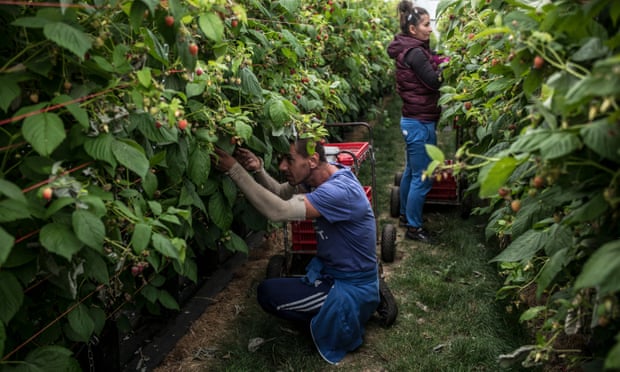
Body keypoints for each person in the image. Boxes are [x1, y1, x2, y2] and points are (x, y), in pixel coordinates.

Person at [212, 140, 396, 365]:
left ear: (312, 160)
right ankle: (368, 293)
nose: (281, 167)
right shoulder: (320, 176)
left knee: (268, 293)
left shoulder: (336, 192)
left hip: (348, 283)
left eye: (289, 160)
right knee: (277, 290)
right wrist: (258, 169)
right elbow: (281, 194)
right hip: (339, 271)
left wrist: (234, 170)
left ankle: (354, 307)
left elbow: (278, 211)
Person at [387, 1, 447, 243]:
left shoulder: (413, 48)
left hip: (414, 118)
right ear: (413, 29)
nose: (430, 28)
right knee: (423, 176)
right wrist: (445, 71)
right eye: (426, 24)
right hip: (419, 120)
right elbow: (433, 81)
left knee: (412, 171)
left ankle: (404, 215)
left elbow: (431, 60)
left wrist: (443, 59)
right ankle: (414, 227)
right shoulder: (414, 52)